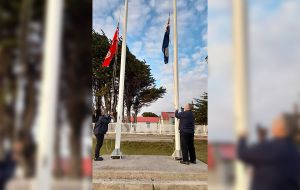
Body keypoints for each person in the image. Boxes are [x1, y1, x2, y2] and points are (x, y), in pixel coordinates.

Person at [238, 114, 300, 190]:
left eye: (275, 122)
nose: (272, 124)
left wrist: (242, 138)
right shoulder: (295, 152)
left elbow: (243, 153)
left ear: (281, 128)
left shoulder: (272, 148)